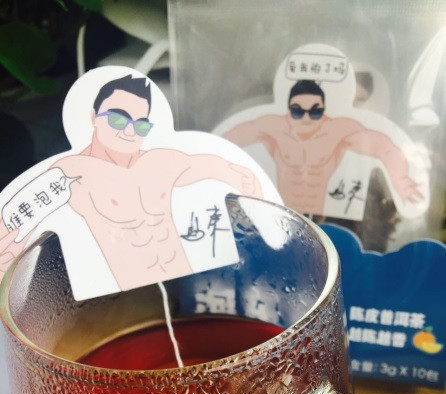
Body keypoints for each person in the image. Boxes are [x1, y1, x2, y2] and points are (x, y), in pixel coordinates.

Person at [0, 75, 262, 290]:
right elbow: (14, 218)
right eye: (118, 119)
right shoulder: (73, 173)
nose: (128, 131)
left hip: (188, 289)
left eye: (140, 125)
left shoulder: (161, 161)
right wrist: (6, 260)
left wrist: (249, 187)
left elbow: (225, 169)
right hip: (126, 304)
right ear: (93, 117)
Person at [223, 79, 423, 217]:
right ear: (289, 108)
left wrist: (401, 180)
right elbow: (228, 139)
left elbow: (386, 147)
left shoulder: (337, 130)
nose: (306, 118)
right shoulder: (273, 126)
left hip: (325, 220)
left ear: (324, 109)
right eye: (298, 111)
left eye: (315, 111)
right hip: (278, 215)